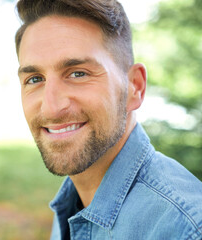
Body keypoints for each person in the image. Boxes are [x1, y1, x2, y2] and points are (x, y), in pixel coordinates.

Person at [14, 0, 202, 239]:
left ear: (135, 87)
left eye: (78, 73)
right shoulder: (73, 200)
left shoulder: (186, 228)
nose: (51, 108)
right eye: (34, 79)